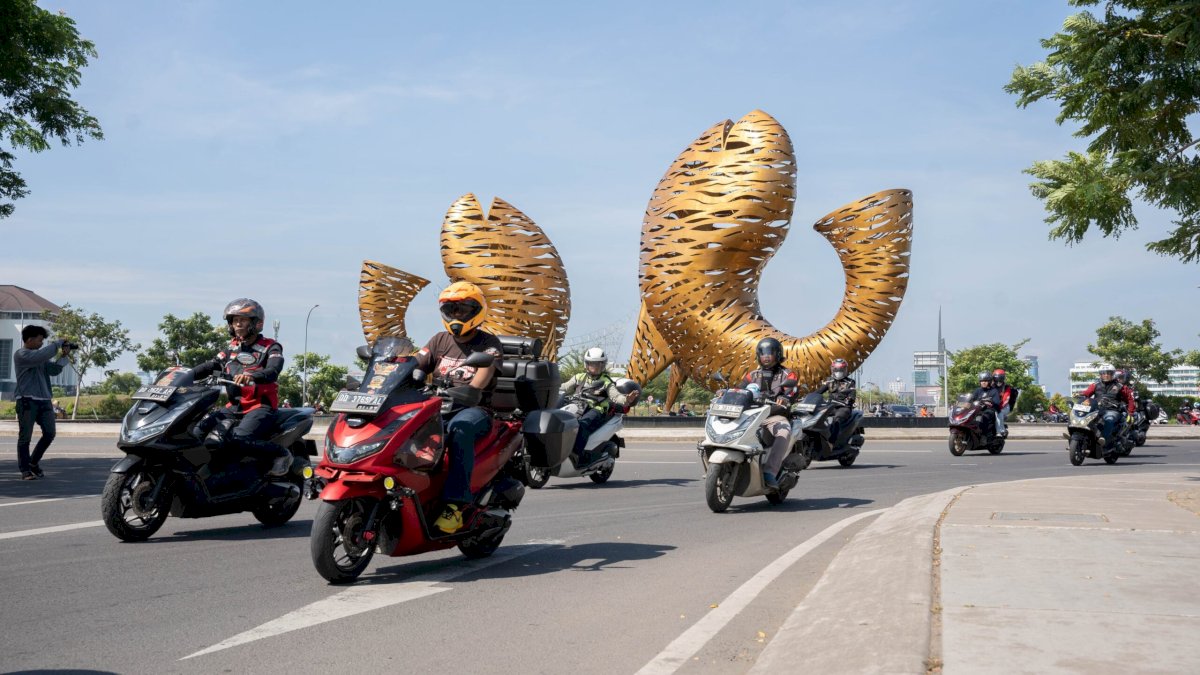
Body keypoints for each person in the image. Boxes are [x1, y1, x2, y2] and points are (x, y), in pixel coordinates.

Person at [413, 282, 502, 534]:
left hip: (475, 409)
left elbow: (480, 381)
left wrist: (469, 391)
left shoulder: (488, 343)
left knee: (460, 429)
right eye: (451, 310)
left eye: (463, 309)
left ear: (477, 310)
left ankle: (455, 506)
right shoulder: (440, 339)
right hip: (437, 406)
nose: (457, 316)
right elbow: (416, 365)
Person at [191, 298, 292, 479]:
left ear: (255, 323)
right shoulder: (232, 347)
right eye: (234, 319)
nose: (237, 323)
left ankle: (280, 453)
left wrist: (252, 376)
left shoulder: (270, 347)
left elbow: (273, 370)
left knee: (238, 440)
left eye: (243, 320)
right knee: (196, 432)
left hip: (260, 406)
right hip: (234, 407)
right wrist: (184, 375)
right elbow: (212, 365)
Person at [559, 347, 638, 467]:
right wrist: (549, 387)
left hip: (597, 410)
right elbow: (563, 388)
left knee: (582, 425)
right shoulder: (579, 377)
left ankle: (578, 455)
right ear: (587, 364)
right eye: (592, 364)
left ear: (603, 365)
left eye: (598, 364)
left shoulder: (606, 381)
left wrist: (627, 399)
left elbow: (616, 396)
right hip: (578, 406)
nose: (595, 367)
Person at [13, 325, 72, 479]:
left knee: (50, 433)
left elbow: (54, 370)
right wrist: (57, 344)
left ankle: (33, 462)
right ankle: (25, 469)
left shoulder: (40, 357)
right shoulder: (21, 354)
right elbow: (40, 356)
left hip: (45, 400)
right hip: (27, 400)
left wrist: (64, 356)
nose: (41, 344)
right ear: (30, 339)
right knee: (25, 437)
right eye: (40, 340)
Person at [740, 337, 799, 488]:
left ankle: (770, 472)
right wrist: (724, 393)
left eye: (770, 353)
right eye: (762, 353)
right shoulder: (752, 375)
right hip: (750, 415)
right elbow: (740, 390)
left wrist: (785, 398)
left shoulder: (787, 375)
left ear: (778, 354)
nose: (766, 356)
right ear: (758, 355)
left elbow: (791, 392)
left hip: (774, 416)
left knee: (784, 432)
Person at [1077, 367, 1135, 448]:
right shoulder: (1095, 385)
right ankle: (1079, 437)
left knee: (1109, 420)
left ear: (1113, 374)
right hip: (1097, 409)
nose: (1106, 375)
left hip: (1112, 410)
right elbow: (1087, 393)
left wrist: (1130, 412)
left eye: (1109, 373)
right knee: (1086, 418)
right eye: (1104, 373)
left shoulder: (1120, 386)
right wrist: (1080, 394)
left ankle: (1103, 440)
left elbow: (1130, 400)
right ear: (1100, 374)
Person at [814, 358, 857, 441]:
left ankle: (832, 442)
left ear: (845, 370)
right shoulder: (829, 381)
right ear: (832, 369)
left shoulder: (850, 382)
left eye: (840, 370)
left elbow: (852, 394)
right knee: (816, 417)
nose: (838, 372)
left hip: (843, 407)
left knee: (837, 419)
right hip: (830, 406)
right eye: (836, 369)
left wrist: (848, 400)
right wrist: (809, 396)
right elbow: (819, 391)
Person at [970, 372, 1001, 438]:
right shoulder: (978, 390)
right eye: (982, 381)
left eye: (985, 381)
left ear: (989, 381)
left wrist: (990, 402)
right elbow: (971, 398)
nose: (983, 382)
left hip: (989, 410)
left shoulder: (994, 391)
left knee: (985, 417)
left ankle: (984, 435)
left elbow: (996, 402)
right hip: (977, 410)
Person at [992, 368, 1020, 438]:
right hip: (993, 406)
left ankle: (1000, 431)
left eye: (1000, 378)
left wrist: (997, 408)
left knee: (999, 413)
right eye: (997, 378)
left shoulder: (1007, 388)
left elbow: (1005, 400)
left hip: (1005, 406)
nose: (998, 380)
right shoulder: (991, 387)